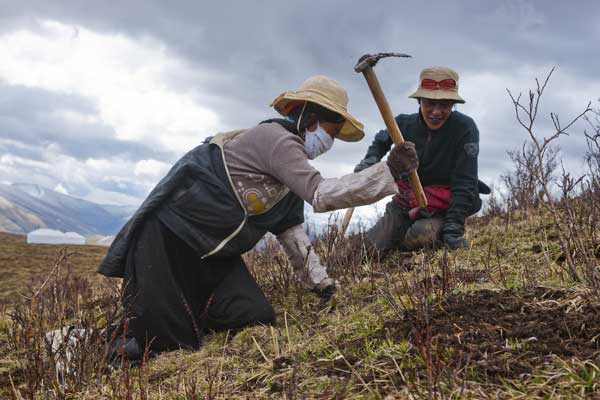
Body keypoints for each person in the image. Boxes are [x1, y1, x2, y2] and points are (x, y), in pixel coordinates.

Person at [97, 75, 418, 359]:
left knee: (253, 313)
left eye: (334, 137)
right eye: (329, 132)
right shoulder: (274, 140)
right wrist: (387, 170)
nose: (329, 143)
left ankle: (183, 314)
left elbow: (293, 235)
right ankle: (118, 336)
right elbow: (320, 195)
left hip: (215, 257)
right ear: (309, 118)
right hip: (169, 241)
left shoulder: (290, 173)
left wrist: (322, 285)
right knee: (165, 345)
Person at [354, 67, 490, 254]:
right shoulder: (402, 125)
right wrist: (369, 161)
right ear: (419, 101)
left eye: (444, 105)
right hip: (407, 200)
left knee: (420, 235)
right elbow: (381, 140)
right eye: (429, 104)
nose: (436, 112)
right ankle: (399, 231)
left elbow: (464, 182)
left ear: (453, 104)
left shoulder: (465, 128)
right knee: (365, 249)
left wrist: (453, 229)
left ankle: (432, 232)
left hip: (443, 203)